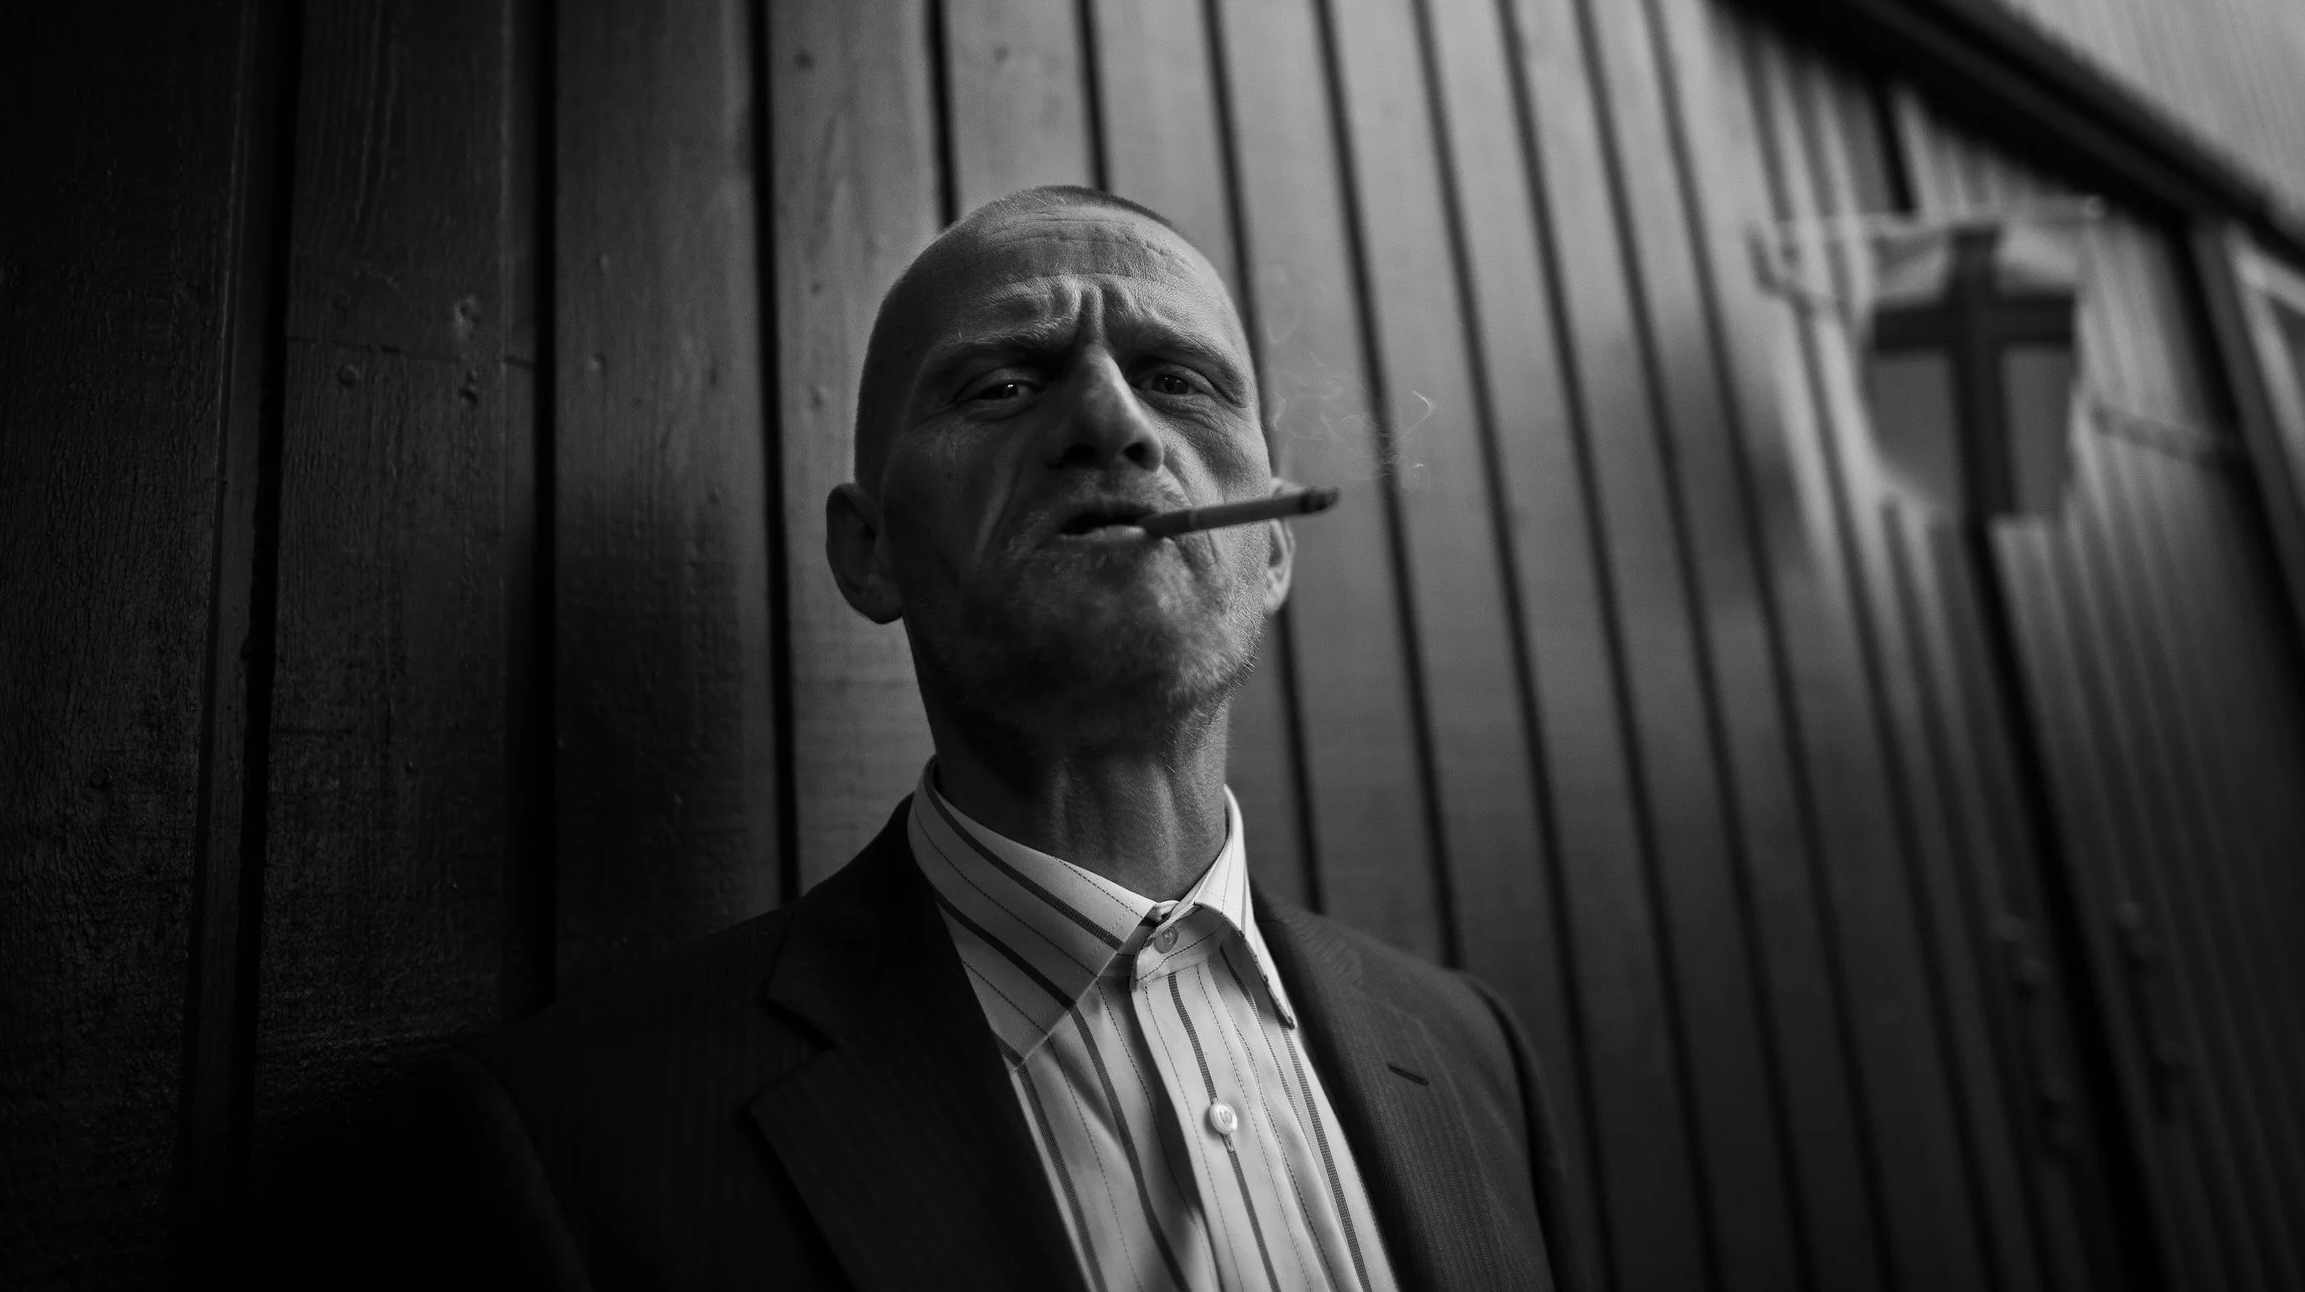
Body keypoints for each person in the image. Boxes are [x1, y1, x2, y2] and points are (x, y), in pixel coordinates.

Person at [417, 187, 1579, 1290]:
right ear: (870, 551)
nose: (1112, 423)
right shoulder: (578, 1138)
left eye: (1178, 381)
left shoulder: (1472, 1056)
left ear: (1271, 549)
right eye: (1003, 385)